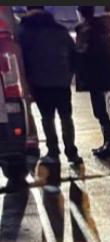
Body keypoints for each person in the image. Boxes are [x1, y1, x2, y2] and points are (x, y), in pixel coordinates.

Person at [18, 6, 81, 167]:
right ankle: (71, 152)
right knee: (66, 117)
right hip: (62, 82)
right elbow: (74, 54)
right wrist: (68, 74)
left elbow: (21, 58)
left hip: (40, 83)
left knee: (47, 118)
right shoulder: (59, 30)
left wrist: (27, 81)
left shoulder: (25, 30)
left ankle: (53, 151)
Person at [74, 5, 110, 160]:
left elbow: (85, 53)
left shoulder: (87, 30)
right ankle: (109, 143)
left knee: (100, 111)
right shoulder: (101, 28)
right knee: (100, 111)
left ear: (81, 14)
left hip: (94, 77)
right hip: (103, 76)